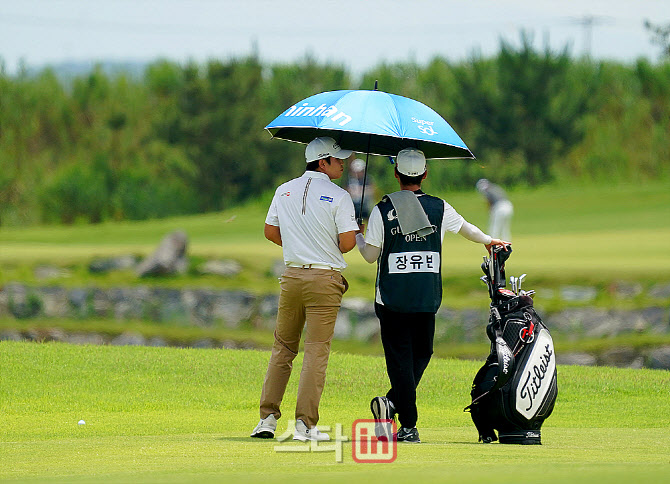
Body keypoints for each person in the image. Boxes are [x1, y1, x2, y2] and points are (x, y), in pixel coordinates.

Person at [356, 148, 508, 443]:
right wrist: (489, 241)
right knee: (420, 354)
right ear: (425, 174)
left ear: (396, 174)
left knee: (403, 360)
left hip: (392, 297)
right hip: (426, 296)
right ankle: (407, 424)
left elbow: (369, 255)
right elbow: (467, 229)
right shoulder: (439, 207)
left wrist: (359, 235)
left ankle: (392, 405)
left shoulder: (382, 209)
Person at [251, 136, 359, 442]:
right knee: (315, 351)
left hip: (292, 277)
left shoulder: (283, 189)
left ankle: (267, 419)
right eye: (338, 159)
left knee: (283, 348)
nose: (343, 164)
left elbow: (270, 231)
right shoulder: (339, 196)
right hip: (324, 280)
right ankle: (304, 425)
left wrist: (298, 245)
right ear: (323, 162)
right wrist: (351, 232)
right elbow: (347, 244)